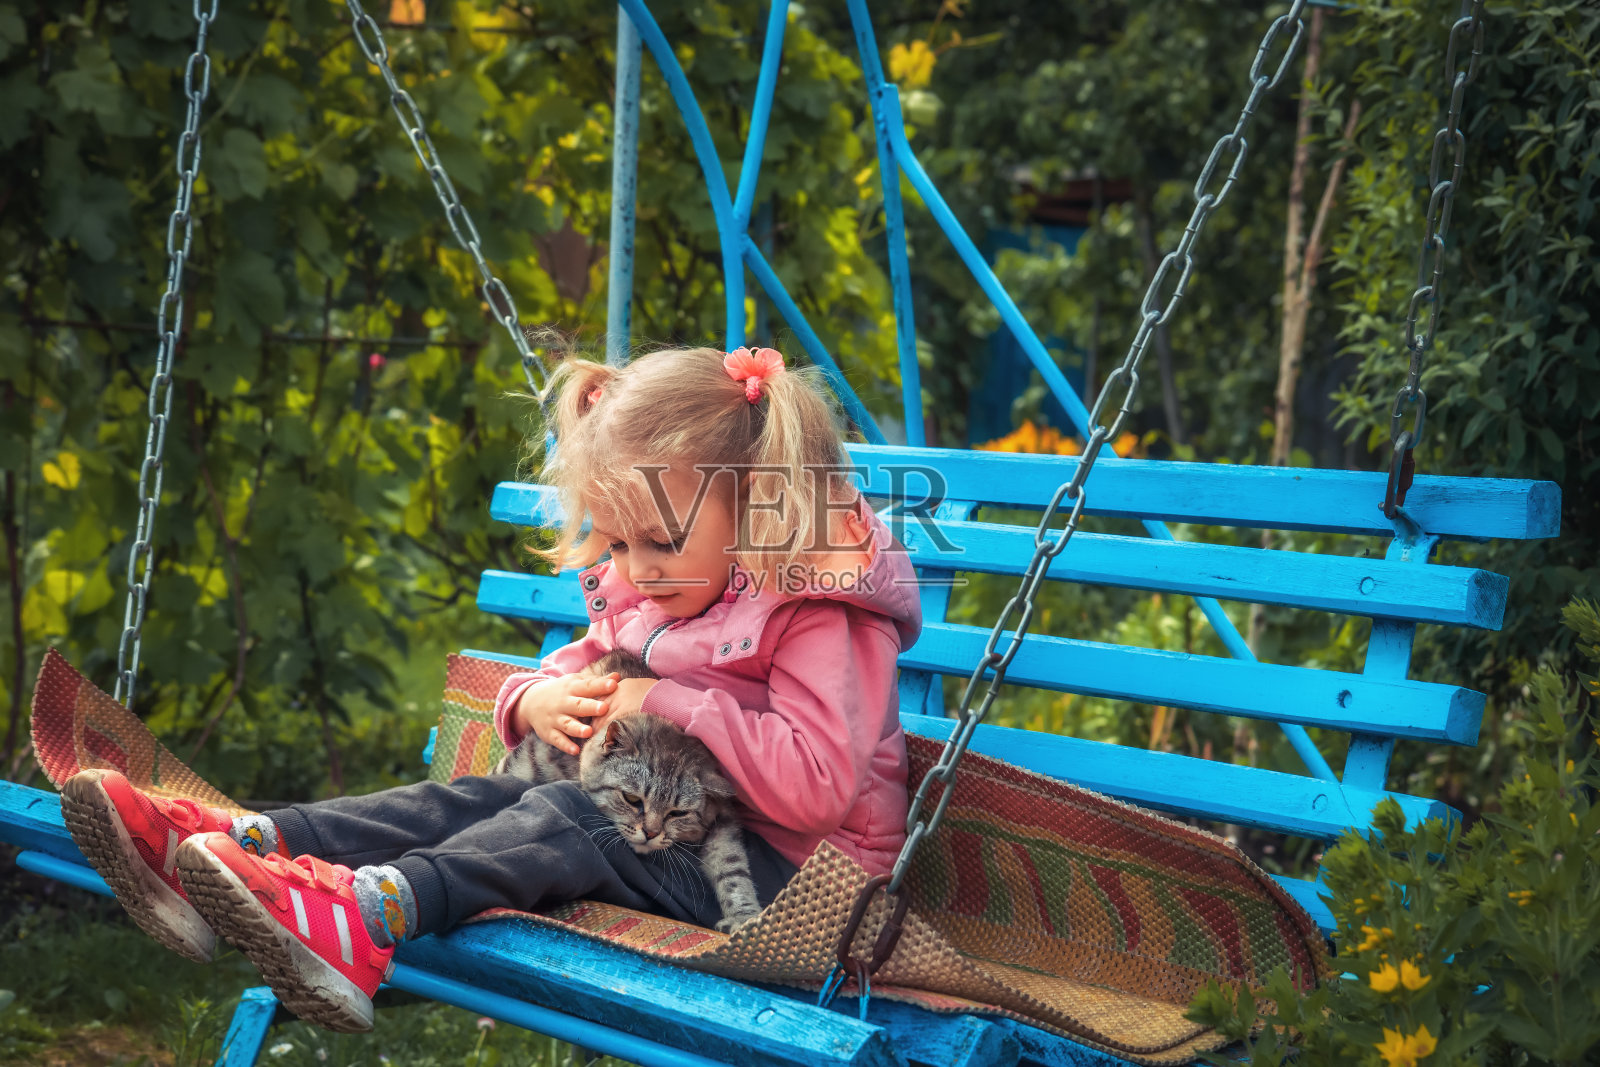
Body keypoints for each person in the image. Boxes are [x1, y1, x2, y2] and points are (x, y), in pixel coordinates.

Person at [59, 344, 924, 1033]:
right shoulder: (664, 579)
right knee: (470, 798)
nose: (633, 570)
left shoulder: (819, 610)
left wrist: (666, 701)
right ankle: (237, 844)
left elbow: (817, 787)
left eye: (655, 541)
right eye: (616, 545)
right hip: (670, 835)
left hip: (793, 882)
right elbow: (580, 663)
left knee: (568, 819)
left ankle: (365, 923)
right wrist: (533, 701)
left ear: (751, 505)